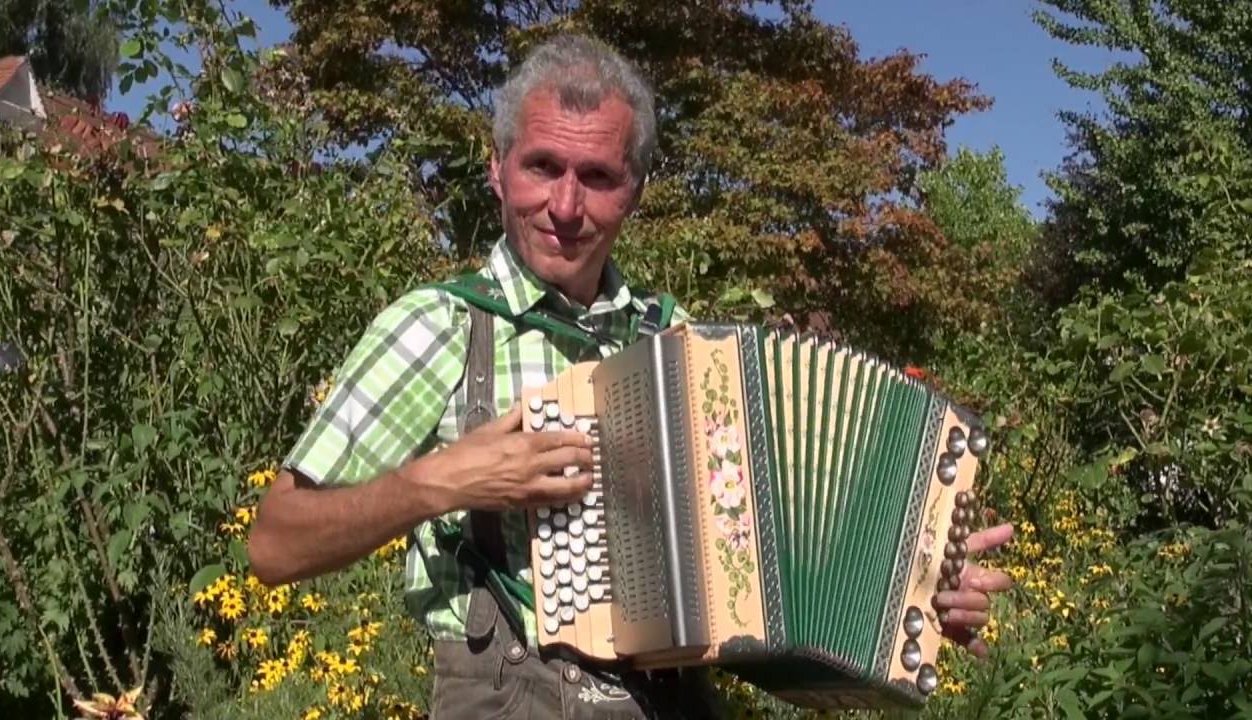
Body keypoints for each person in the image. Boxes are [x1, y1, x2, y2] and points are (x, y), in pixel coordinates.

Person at [248, 33, 1014, 719]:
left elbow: (766, 614)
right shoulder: (438, 328)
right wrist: (438, 483)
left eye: (599, 175)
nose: (566, 205)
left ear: (636, 190)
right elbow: (275, 546)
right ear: (497, 170)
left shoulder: (684, 351)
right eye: (542, 167)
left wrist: (912, 601)